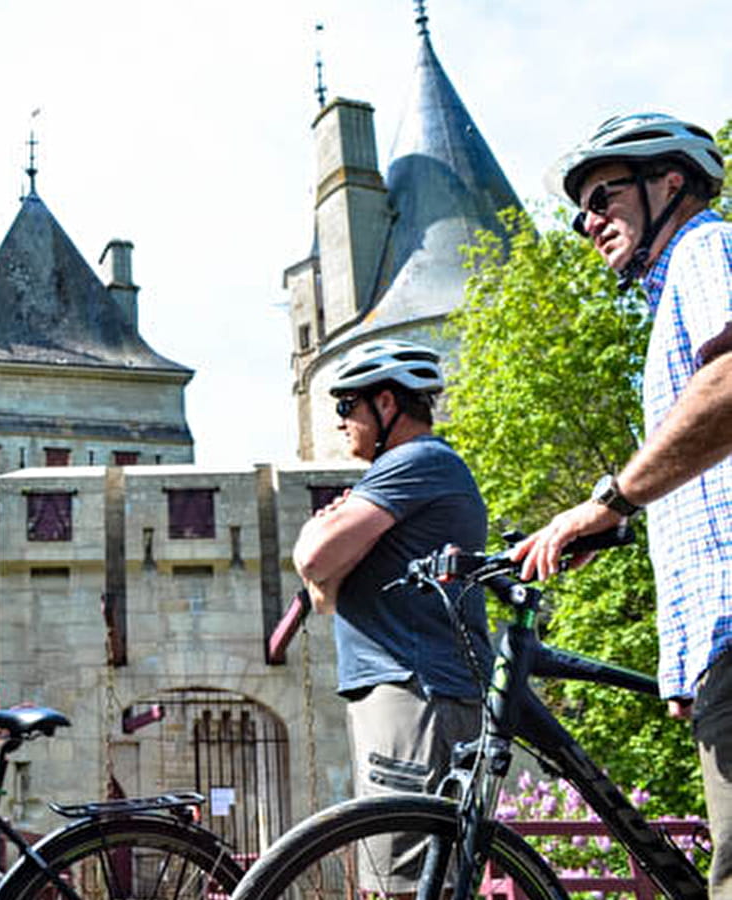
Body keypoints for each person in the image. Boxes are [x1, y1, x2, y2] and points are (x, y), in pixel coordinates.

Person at [513, 112, 732, 896]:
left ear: (669, 181)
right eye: (579, 214)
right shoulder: (668, 299)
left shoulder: (704, 247)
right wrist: (688, 655)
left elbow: (729, 384)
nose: (588, 223)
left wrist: (606, 501)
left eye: (601, 198)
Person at [291, 340, 489, 810]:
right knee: (405, 849)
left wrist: (316, 530)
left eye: (347, 405)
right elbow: (324, 598)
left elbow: (314, 560)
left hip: (414, 689)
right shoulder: (416, 469)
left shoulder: (415, 462)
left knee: (406, 852)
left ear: (385, 403)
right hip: (407, 687)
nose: (340, 422)